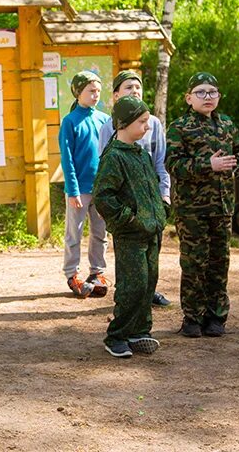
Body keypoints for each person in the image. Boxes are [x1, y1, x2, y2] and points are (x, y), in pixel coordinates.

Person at [165, 72, 239, 338]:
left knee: (218, 263)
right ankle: (192, 318)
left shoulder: (226, 124)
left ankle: (216, 318)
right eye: (201, 92)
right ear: (189, 98)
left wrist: (234, 166)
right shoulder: (180, 127)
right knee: (193, 264)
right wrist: (207, 165)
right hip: (192, 210)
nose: (207, 97)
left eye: (212, 92)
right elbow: (172, 165)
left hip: (222, 207)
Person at [93, 96, 166, 358]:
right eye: (142, 122)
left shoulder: (141, 154)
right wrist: (129, 220)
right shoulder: (113, 157)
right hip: (131, 234)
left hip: (151, 231)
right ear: (124, 124)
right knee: (132, 285)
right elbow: (103, 196)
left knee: (148, 283)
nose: (147, 127)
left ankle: (140, 331)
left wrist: (161, 212)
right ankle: (117, 336)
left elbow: (152, 188)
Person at [98, 70, 173, 307]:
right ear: (117, 94)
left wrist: (164, 196)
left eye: (138, 87)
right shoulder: (107, 127)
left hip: (151, 203)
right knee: (129, 254)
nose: (135, 91)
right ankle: (127, 296)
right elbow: (104, 168)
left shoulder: (154, 124)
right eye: (129, 88)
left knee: (152, 252)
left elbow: (161, 162)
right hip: (126, 206)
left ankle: (148, 292)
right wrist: (122, 214)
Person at [59, 70, 111, 298]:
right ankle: (73, 274)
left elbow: (109, 154)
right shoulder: (70, 121)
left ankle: (97, 272)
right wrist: (72, 190)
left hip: (101, 189)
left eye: (98, 91)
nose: (95, 95)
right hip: (79, 189)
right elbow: (67, 158)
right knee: (75, 234)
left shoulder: (104, 119)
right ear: (78, 92)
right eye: (91, 91)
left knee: (101, 232)